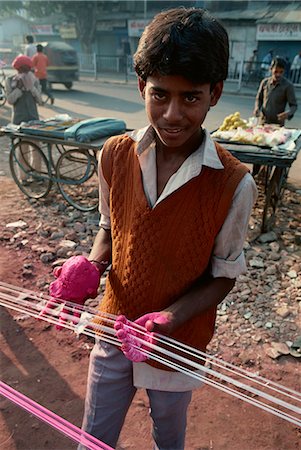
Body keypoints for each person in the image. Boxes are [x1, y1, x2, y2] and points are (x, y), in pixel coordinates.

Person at [46, 7, 257, 449]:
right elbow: (110, 226)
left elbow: (223, 275)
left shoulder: (233, 184)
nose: (173, 114)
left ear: (215, 93)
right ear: (141, 86)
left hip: (177, 343)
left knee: (168, 434)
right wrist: (90, 265)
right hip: (112, 324)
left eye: (191, 98)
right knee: (95, 436)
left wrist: (170, 317)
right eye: (159, 95)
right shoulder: (114, 155)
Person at [5, 55, 42, 181]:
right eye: (22, 69)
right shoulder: (10, 81)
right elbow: (9, 100)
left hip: (34, 120)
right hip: (18, 121)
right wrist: (19, 90)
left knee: (36, 149)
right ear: (17, 69)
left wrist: (31, 88)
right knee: (21, 150)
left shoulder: (35, 80)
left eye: (26, 69)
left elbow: (40, 100)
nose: (24, 72)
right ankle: (23, 177)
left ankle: (37, 174)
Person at [253, 56, 298, 127]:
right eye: (275, 72)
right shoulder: (264, 82)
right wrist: (257, 108)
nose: (278, 74)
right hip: (263, 122)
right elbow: (259, 99)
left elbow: (294, 105)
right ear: (271, 69)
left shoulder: (288, 86)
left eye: (281, 72)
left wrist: (287, 113)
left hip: (277, 124)